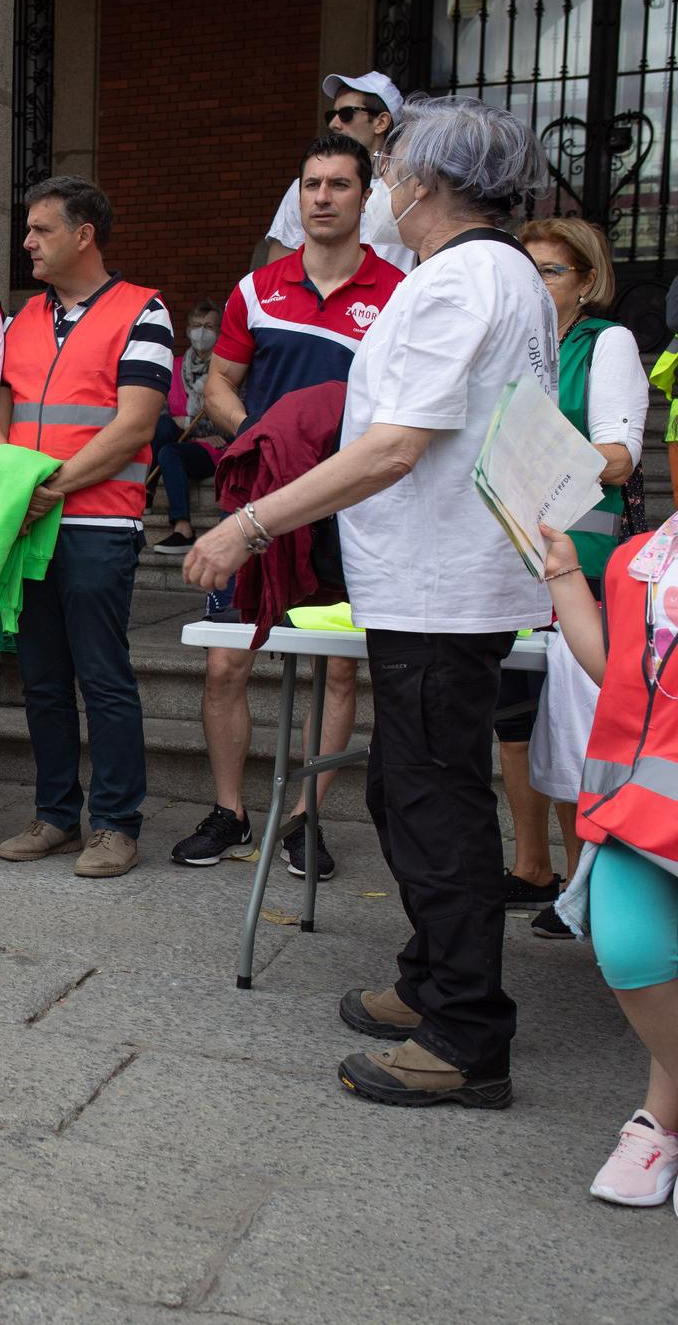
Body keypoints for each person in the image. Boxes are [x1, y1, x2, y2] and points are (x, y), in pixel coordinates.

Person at [187, 95, 555, 1108]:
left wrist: (248, 524)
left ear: (425, 184)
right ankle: (431, 981)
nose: (382, 181)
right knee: (409, 791)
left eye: (390, 166)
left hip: (442, 589)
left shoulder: (460, 280)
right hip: (432, 584)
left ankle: (466, 1036)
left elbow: (394, 445)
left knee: (431, 805)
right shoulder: (485, 275)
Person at [174, 134, 404, 878]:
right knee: (222, 666)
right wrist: (269, 445)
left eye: (340, 183)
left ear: (366, 197)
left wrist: (328, 465)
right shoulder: (257, 289)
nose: (324, 196)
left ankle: (305, 818)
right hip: (259, 505)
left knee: (337, 673)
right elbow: (216, 386)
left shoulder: (400, 292)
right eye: (312, 184)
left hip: (353, 511)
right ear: (298, 195)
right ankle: (230, 810)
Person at [0, 175, 168, 879]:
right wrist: (10, 486)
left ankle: (117, 824)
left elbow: (134, 425)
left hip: (98, 523)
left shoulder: (142, 310)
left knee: (103, 676)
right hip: (30, 525)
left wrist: (50, 488)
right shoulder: (20, 318)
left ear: (84, 234)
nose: (27, 242)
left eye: (40, 229)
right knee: (41, 678)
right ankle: (57, 815)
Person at [510, 216, 648, 934]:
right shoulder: (512, 343)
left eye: (550, 271)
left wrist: (525, 461)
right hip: (510, 565)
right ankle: (535, 866)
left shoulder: (607, 344)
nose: (533, 283)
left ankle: (585, 885)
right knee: (513, 719)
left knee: (577, 728)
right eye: (524, 268)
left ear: (587, 282)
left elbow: (619, 456)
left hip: (581, 570)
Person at [537, 516, 678, 1208]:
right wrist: (565, 574)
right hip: (642, 809)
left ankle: (662, 1118)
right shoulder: (639, 558)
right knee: (630, 951)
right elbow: (619, 668)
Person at [265, 71, 416, 273]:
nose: (333, 124)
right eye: (332, 114)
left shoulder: (412, 187)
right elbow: (276, 274)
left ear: (381, 122)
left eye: (346, 114)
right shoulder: (308, 186)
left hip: (392, 301)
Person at [147, 301, 226, 555]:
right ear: (188, 329)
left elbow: (232, 416)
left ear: (219, 331)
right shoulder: (176, 366)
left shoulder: (228, 369)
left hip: (216, 447)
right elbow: (160, 409)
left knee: (169, 452)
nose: (201, 331)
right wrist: (189, 429)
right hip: (182, 437)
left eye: (209, 326)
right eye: (196, 325)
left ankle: (183, 529)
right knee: (161, 425)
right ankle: (147, 491)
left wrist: (193, 429)